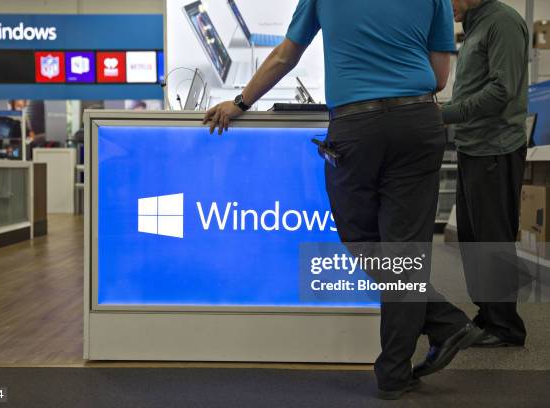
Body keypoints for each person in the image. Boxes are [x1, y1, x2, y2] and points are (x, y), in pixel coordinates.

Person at [204, 0, 483, 400]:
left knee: (361, 242)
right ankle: (418, 347)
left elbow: (287, 54)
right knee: (404, 252)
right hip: (418, 123)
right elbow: (439, 78)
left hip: (357, 126)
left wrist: (241, 102)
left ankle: (425, 339)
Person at [443, 0, 528, 347]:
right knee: (474, 240)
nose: (447, 5)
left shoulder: (502, 22)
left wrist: (446, 114)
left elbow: (501, 90)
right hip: (473, 146)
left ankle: (506, 326)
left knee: (492, 241)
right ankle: (489, 315)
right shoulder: (476, 24)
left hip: (495, 147)